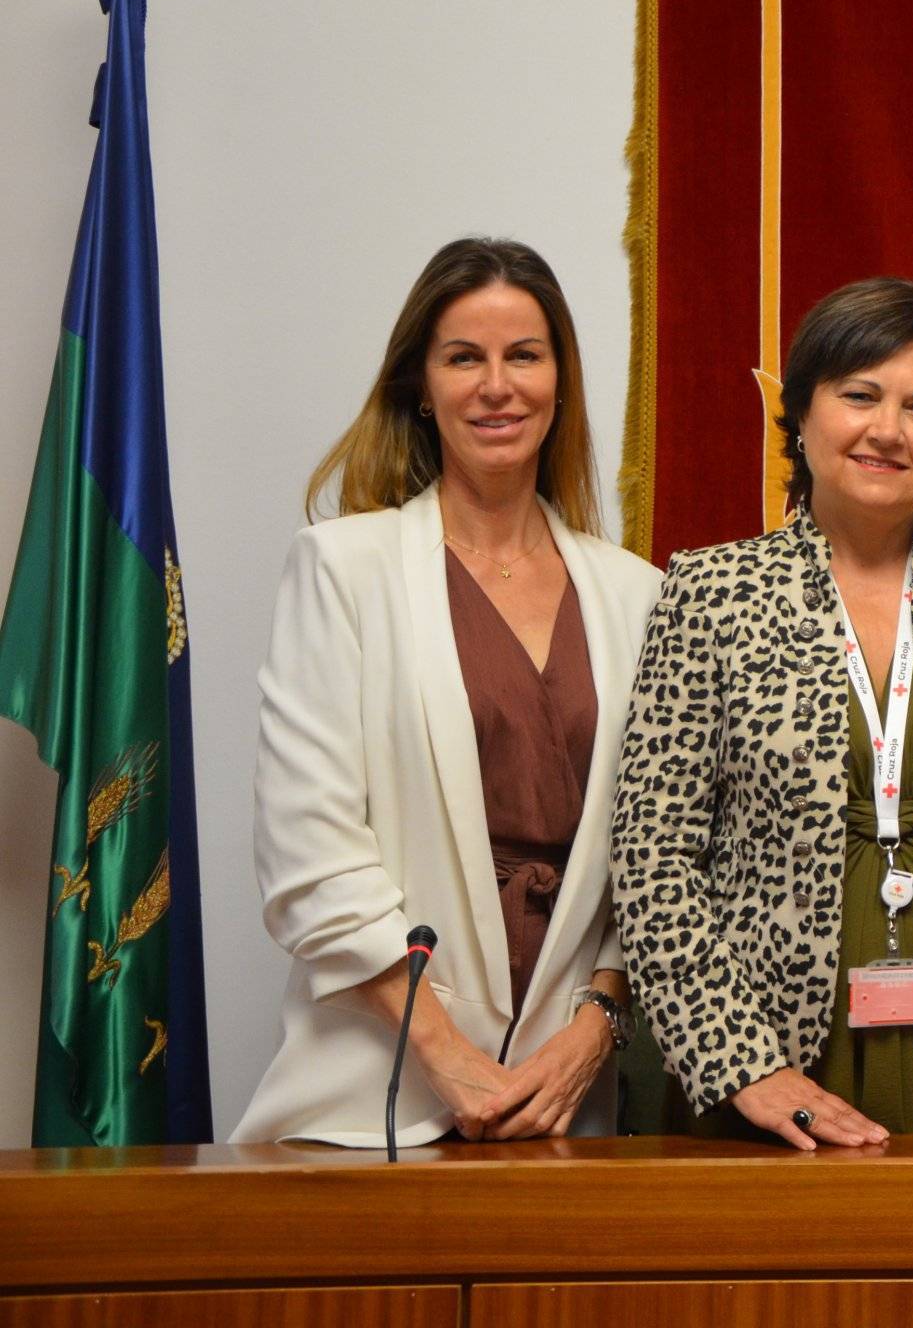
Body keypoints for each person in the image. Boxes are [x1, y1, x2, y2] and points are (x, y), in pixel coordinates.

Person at [234, 239, 662, 1146]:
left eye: (525, 356)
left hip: (568, 1108)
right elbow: (307, 853)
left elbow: (658, 857)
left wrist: (592, 1034)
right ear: (420, 387)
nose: (496, 386)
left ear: (561, 382)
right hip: (374, 1097)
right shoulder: (344, 570)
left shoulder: (637, 594)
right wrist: (444, 1051)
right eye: (464, 358)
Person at [611, 279, 913, 1149]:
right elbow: (651, 853)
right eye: (858, 395)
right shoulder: (710, 592)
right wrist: (741, 1064)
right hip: (766, 1072)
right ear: (800, 414)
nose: (887, 430)